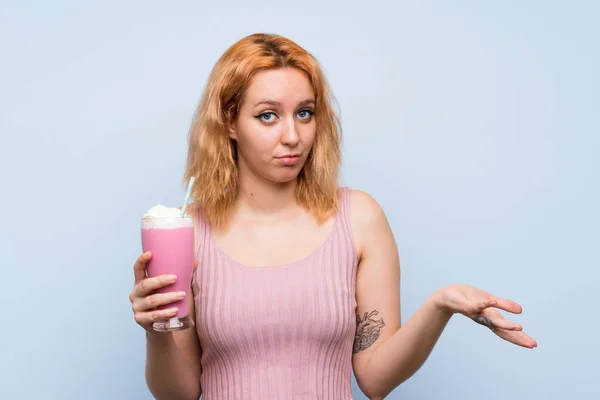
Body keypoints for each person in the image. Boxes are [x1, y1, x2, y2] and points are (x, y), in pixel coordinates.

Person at [129, 33, 537, 400]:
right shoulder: (188, 232)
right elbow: (178, 393)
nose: (293, 136)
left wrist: (439, 305)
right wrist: (157, 333)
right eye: (267, 115)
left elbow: (376, 379)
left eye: (304, 113)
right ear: (230, 121)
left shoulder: (358, 218)